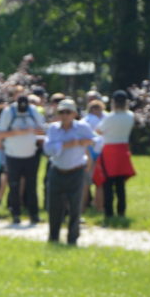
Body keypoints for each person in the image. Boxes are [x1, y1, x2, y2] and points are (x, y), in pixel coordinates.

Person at [43, 99, 94, 245]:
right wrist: (67, 144)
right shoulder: (53, 128)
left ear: (74, 114)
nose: (64, 115)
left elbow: (96, 140)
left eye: (68, 112)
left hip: (76, 171)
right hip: (57, 170)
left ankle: (72, 239)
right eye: (61, 112)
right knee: (54, 207)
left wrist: (87, 142)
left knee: (75, 207)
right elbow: (48, 149)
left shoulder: (82, 127)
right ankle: (53, 238)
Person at [0, 93, 45, 226]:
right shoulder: (8, 112)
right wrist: (17, 132)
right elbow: (0, 133)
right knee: (14, 186)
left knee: (32, 186)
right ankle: (15, 214)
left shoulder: (33, 111)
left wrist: (33, 131)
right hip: (13, 155)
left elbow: (42, 130)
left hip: (31, 154)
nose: (23, 109)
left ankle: (33, 214)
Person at [93, 89, 136, 220]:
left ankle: (109, 212)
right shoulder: (130, 116)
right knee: (120, 184)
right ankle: (121, 211)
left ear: (114, 102)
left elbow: (99, 130)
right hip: (123, 150)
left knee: (107, 183)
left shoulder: (110, 117)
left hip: (109, 151)